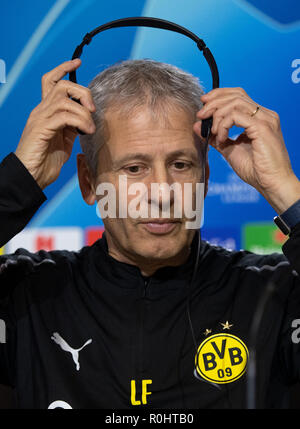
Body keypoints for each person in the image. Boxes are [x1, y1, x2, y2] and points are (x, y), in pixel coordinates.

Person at [0, 57, 300, 409]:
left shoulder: (274, 295)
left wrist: (284, 190)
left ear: (204, 178)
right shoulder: (25, 296)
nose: (162, 192)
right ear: (88, 181)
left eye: (180, 165)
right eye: (134, 167)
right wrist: (19, 179)